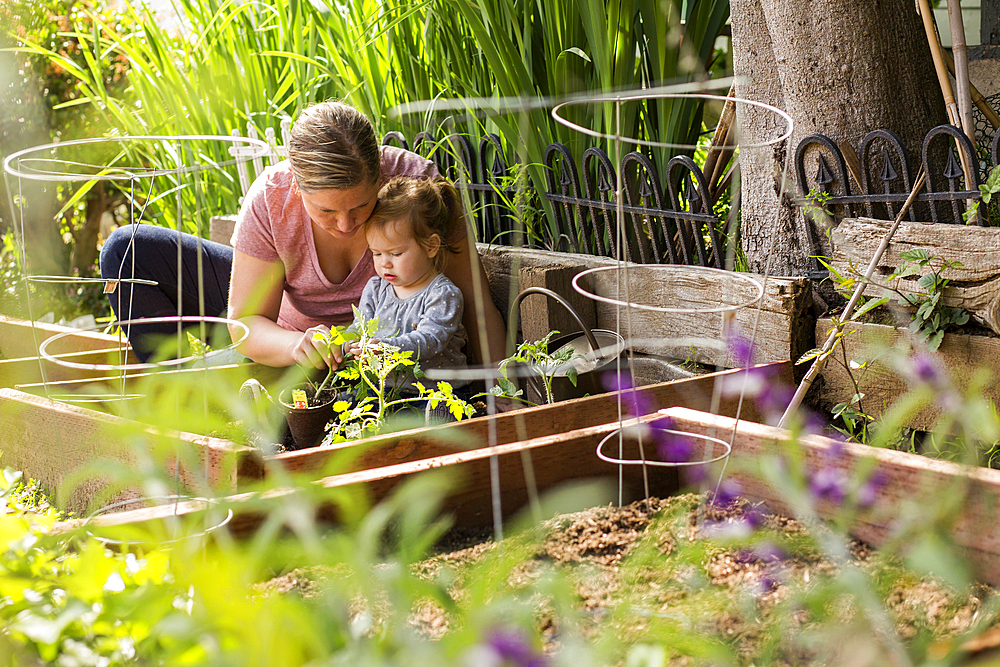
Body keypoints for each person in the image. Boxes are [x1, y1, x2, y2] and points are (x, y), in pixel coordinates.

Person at [99, 101, 506, 371]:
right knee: (127, 250)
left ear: (379, 176)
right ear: (296, 187)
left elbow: (475, 302)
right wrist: (297, 346)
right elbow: (244, 322)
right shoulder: (273, 197)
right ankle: (185, 408)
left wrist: (505, 392)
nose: (346, 225)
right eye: (326, 211)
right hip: (291, 335)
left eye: (361, 207)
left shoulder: (414, 187)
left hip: (388, 350)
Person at [346, 176, 469, 394]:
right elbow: (360, 326)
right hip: (382, 390)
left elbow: (430, 340)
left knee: (436, 421)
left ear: (431, 246)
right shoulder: (375, 289)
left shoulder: (442, 294)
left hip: (435, 393)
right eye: (376, 253)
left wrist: (387, 349)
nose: (385, 262)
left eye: (396, 253)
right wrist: (350, 344)